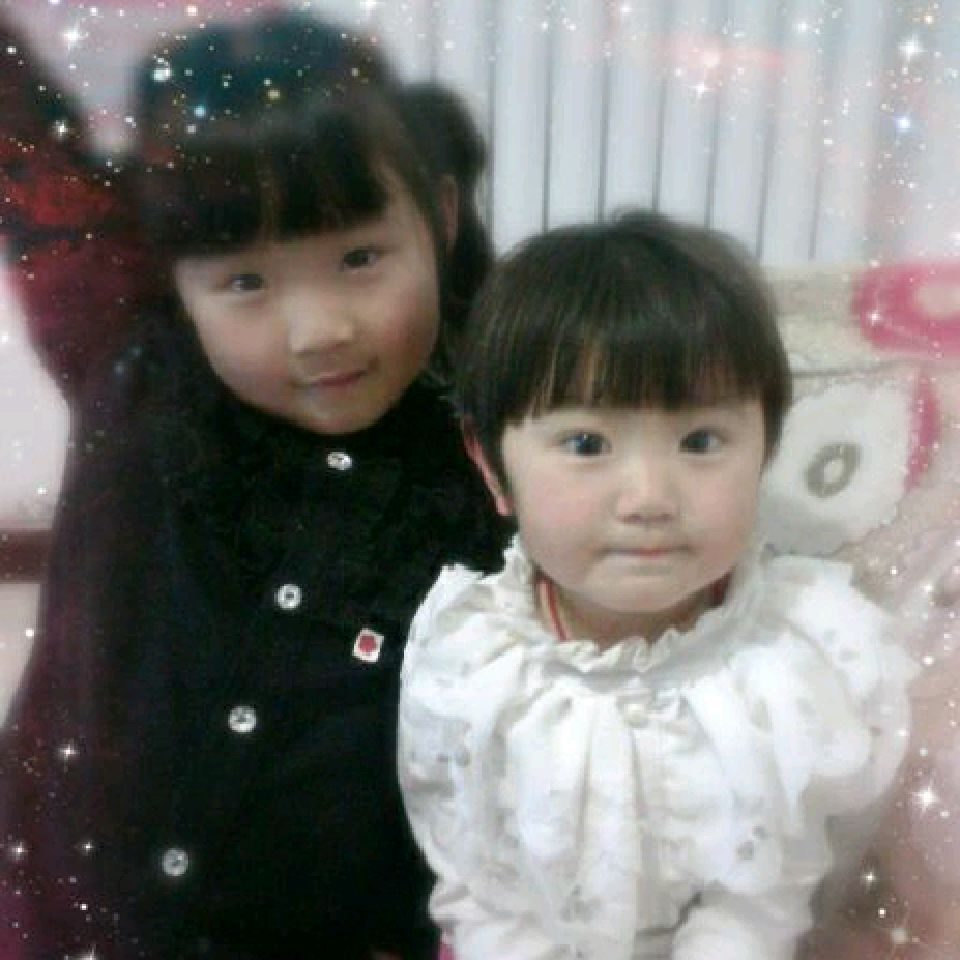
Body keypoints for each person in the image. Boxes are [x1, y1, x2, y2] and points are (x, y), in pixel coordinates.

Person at [0, 11, 506, 959]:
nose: (318, 332)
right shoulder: (132, 365)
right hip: (72, 921)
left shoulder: (503, 440)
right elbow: (24, 147)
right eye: (245, 283)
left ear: (438, 219)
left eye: (359, 258)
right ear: (171, 274)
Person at [398, 212, 916, 960]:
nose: (648, 498)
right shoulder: (470, 657)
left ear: (766, 448)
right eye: (586, 444)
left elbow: (765, 896)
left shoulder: (794, 655)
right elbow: (478, 877)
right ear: (490, 466)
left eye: (701, 441)